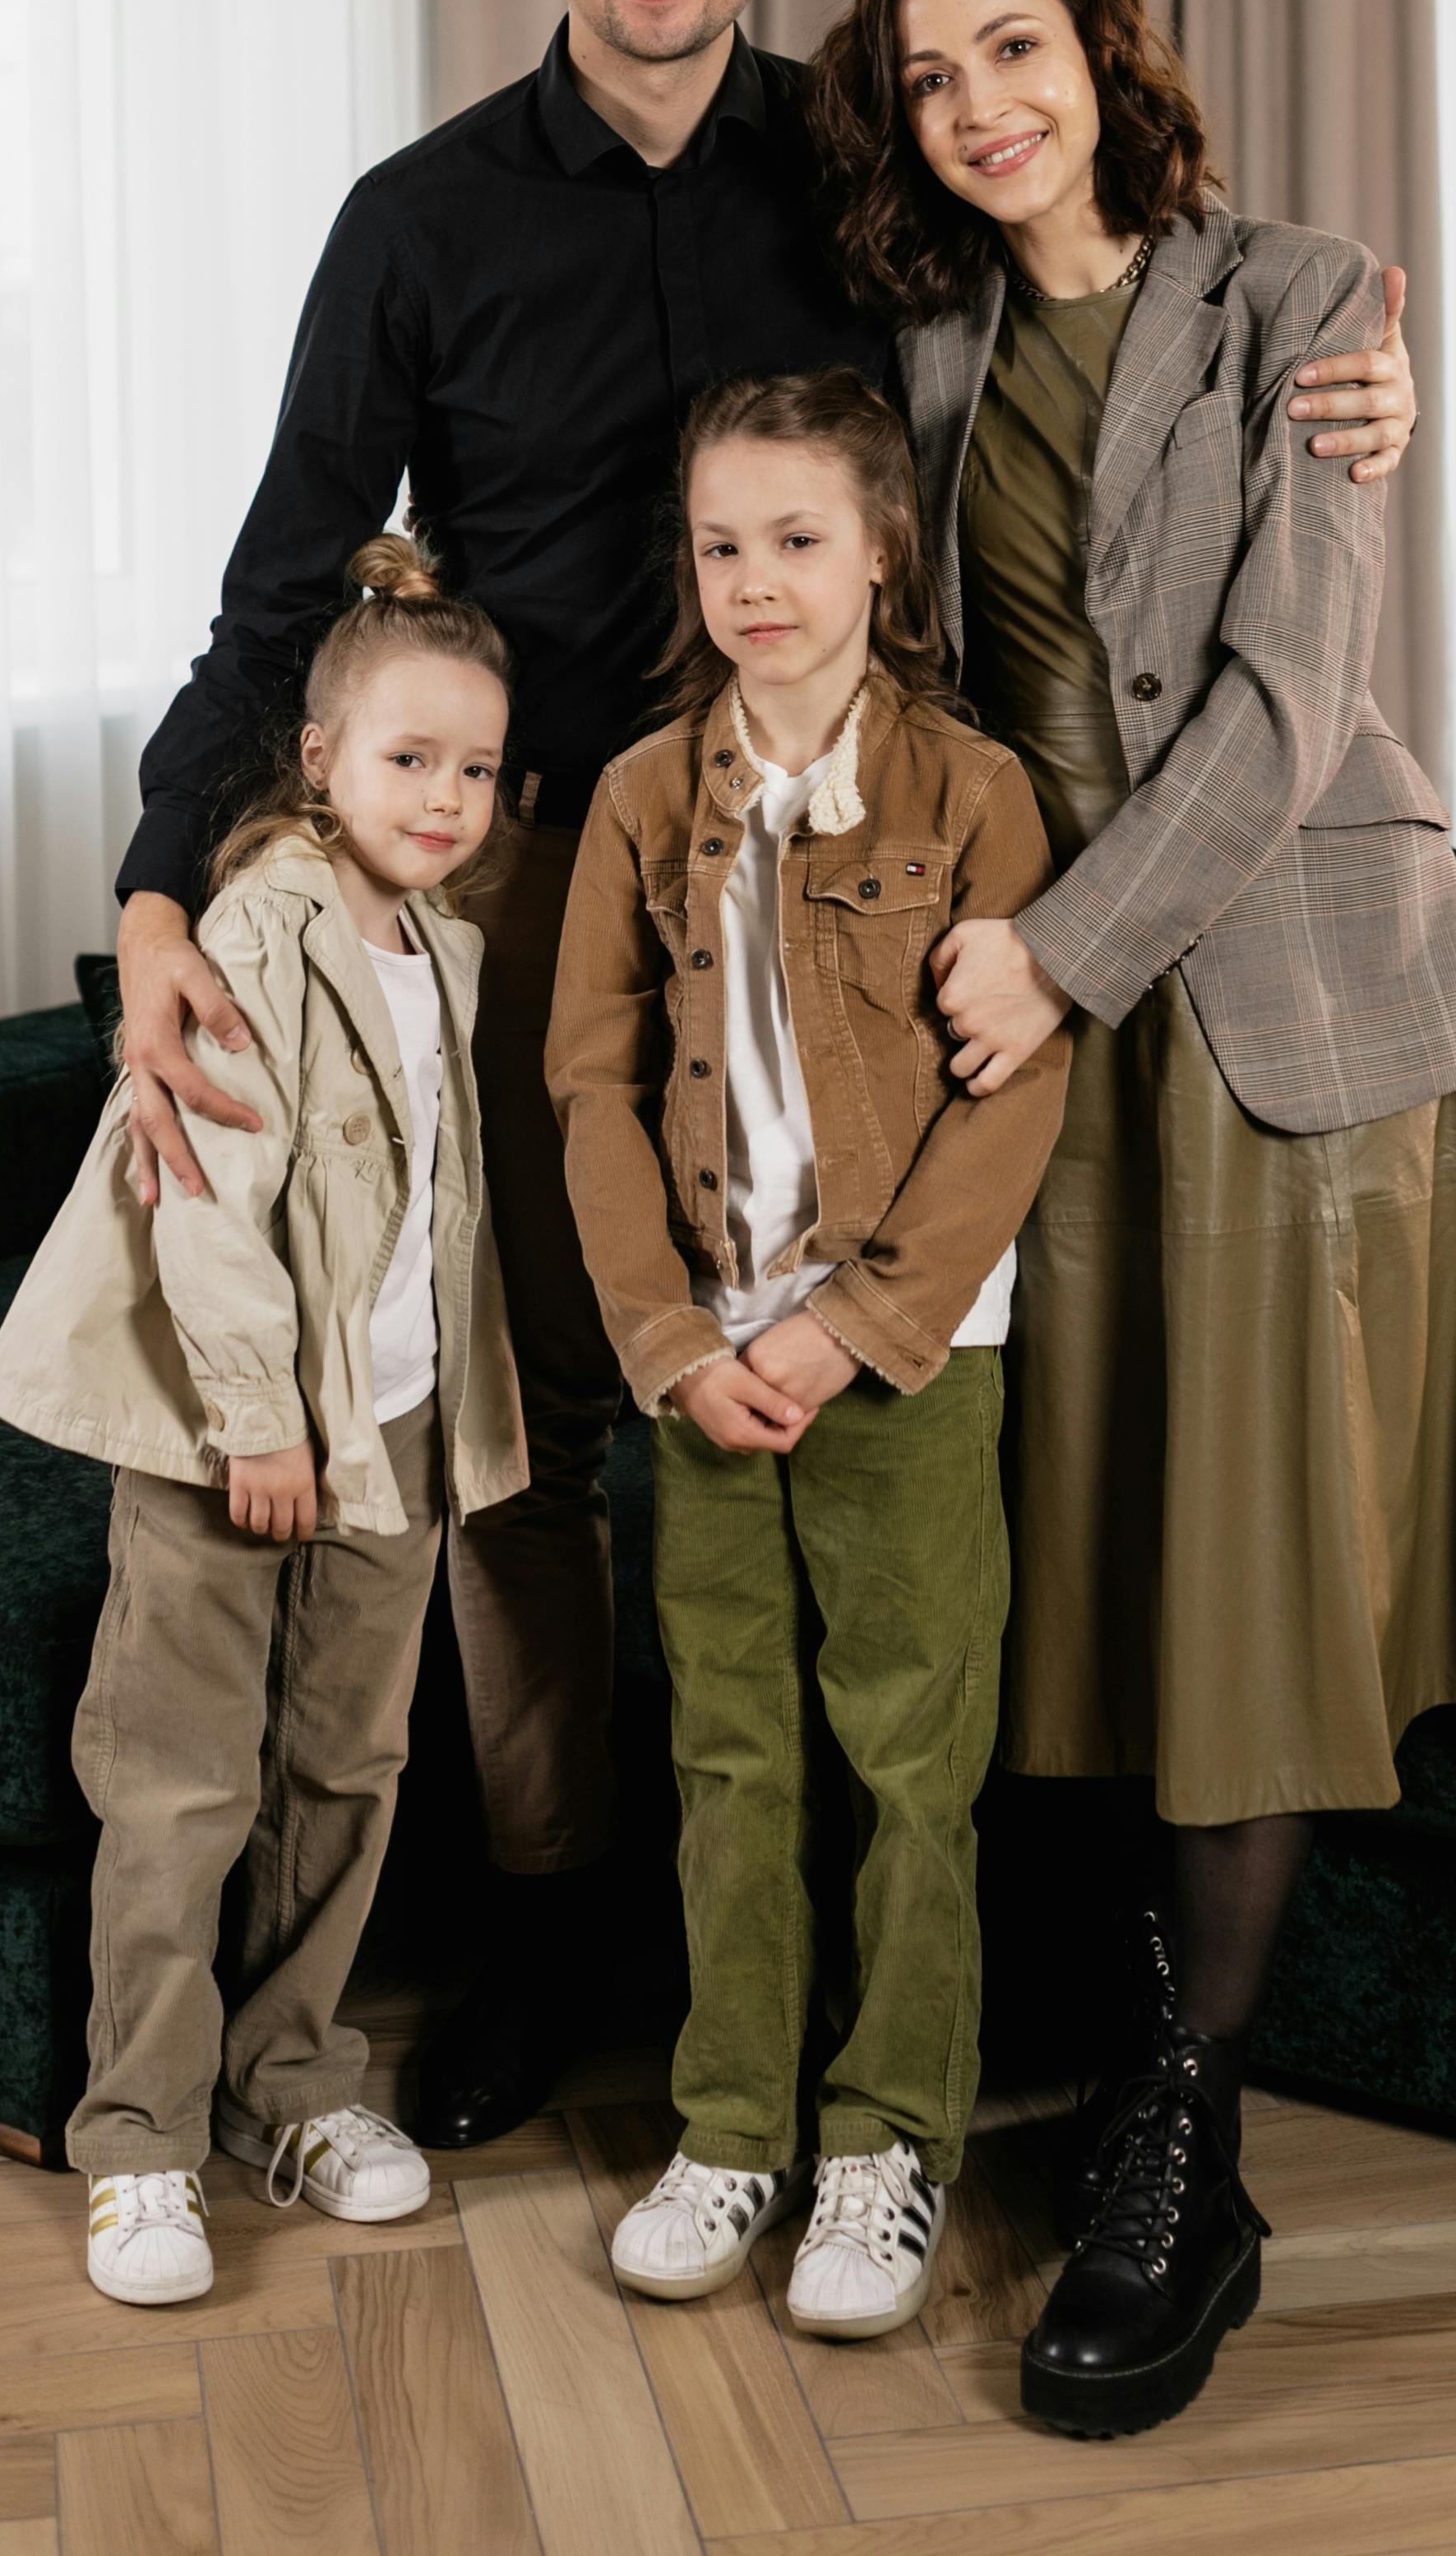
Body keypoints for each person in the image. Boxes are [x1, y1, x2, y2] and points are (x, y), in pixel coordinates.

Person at [108, 0, 1423, 2146]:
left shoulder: (877, 181)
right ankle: (553, 1929)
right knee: (532, 1448)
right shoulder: (413, 220)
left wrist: (1340, 377)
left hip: (862, 871)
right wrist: (162, 879)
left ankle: (931, 1957)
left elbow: (1098, 304)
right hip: (521, 886)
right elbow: (284, 586)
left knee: (884, 1382)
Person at [807, 0, 1456, 2439]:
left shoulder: (1303, 294)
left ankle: (1197, 2133)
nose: (981, 103)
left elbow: (1284, 706)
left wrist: (1059, 952)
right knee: (1087, 1530)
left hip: (1266, 998)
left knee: (1251, 1556)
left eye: (1014, 45)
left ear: (1101, 47)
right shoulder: (918, 341)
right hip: (1039, 1014)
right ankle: (1074, 2046)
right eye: (933, 73)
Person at [547, 369, 1070, 2333]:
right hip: (707, 1365)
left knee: (911, 1753)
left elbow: (1011, 1099)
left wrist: (855, 1327)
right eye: (720, 543)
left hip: (907, 1356)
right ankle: (733, 2120)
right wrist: (675, 1342)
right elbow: (590, 1090)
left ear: (879, 549)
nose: (755, 581)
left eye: (795, 537)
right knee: (730, 1744)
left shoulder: (973, 792)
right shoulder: (631, 797)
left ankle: (885, 2143)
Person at [0, 537, 528, 2304]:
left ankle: (289, 2082)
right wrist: (255, 1421)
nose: (443, 797)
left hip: (389, 1438)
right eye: (406, 759)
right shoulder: (256, 928)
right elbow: (204, 1187)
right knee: (179, 1776)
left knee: (345, 1770)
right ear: (318, 759)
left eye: (473, 767)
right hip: (236, 1438)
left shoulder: (447, 943)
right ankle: (140, 2132)